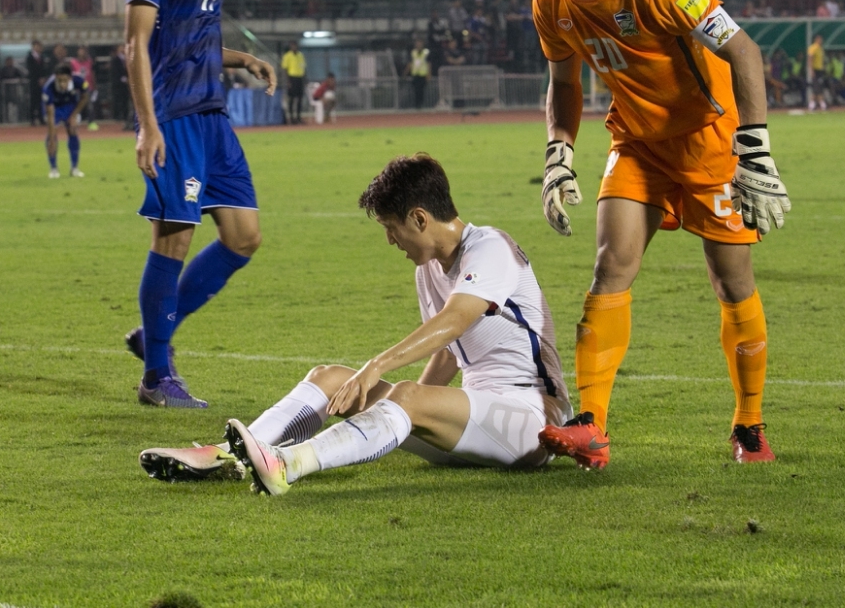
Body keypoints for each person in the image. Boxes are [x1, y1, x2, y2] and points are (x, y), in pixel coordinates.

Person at [510, 0, 790, 468]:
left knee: (731, 281)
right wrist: (559, 149)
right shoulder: (549, 2)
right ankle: (592, 425)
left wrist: (755, 148)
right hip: (636, 142)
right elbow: (564, 82)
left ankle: (749, 425)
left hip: (707, 144)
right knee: (611, 265)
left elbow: (743, 49)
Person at [139, 154, 572, 492]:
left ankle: (287, 464)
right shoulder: (429, 270)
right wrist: (408, 407)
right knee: (327, 378)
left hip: (533, 424)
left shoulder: (491, 247)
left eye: (391, 227)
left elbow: (455, 322)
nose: (390, 240)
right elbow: (448, 351)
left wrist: (379, 371)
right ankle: (224, 454)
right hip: (479, 424)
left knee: (401, 394)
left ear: (420, 218)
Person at [121, 0, 277, 408]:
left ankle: (152, 337)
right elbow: (136, 43)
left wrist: (240, 59)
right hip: (174, 118)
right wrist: (148, 125)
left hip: (213, 116)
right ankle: (157, 376)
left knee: (243, 236)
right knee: (174, 238)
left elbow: (197, 37)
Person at [41, 62, 89, 179]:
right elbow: (51, 114)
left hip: (70, 106)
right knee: (52, 136)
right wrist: (52, 135)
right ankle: (53, 169)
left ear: (70, 78)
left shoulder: (79, 81)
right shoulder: (48, 87)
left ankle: (74, 168)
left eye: (65, 80)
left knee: (73, 130)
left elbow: (85, 97)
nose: (62, 83)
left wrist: (74, 115)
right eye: (59, 80)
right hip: (54, 108)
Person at [25, 41, 50, 125]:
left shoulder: (42, 58)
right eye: (37, 46)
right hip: (34, 82)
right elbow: (31, 70)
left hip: (42, 83)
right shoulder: (29, 58)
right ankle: (32, 119)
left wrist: (43, 78)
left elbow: (44, 70)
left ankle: (41, 118)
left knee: (41, 101)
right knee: (33, 101)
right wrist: (38, 79)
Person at [281, 40, 306, 124]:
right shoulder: (287, 56)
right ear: (290, 47)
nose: (294, 47)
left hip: (300, 78)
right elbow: (285, 69)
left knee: (300, 99)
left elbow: (303, 67)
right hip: (292, 78)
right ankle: (291, 118)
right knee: (291, 99)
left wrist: (304, 79)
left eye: (295, 46)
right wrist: (288, 81)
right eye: (292, 46)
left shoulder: (300, 55)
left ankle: (298, 117)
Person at [407, 36, 430, 109]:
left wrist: (429, 73)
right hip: (415, 74)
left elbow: (429, 64)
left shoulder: (426, 52)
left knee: (421, 91)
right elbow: (410, 63)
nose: (418, 45)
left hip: (423, 74)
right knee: (415, 90)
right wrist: (406, 72)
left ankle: (420, 104)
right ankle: (416, 105)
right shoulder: (413, 52)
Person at [807, 33, 827, 110]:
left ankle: (814, 104)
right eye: (819, 39)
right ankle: (821, 104)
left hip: (820, 70)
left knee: (819, 86)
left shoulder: (820, 48)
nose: (821, 40)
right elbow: (810, 59)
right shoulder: (813, 48)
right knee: (816, 86)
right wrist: (811, 70)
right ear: (816, 39)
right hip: (815, 70)